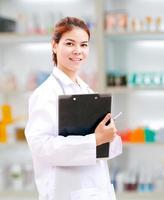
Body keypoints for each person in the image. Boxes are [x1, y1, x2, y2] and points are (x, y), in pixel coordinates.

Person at [25, 17, 122, 200]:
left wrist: (109, 136)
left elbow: (102, 148)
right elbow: (41, 147)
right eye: (70, 43)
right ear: (54, 45)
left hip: (95, 189)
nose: (78, 51)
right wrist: (95, 140)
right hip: (66, 192)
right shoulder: (45, 93)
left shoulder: (85, 89)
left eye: (84, 45)